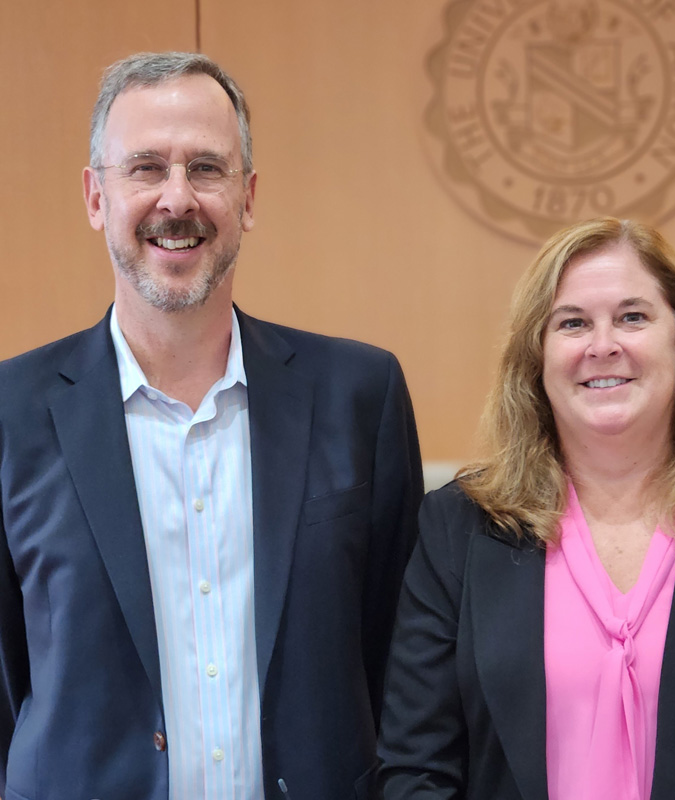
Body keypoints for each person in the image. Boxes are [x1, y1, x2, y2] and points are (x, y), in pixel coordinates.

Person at [0, 52, 423, 800]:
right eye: (145, 168)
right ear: (96, 197)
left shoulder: (362, 395)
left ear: (248, 197)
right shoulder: (11, 412)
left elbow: (399, 666)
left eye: (205, 168)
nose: (177, 198)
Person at [378, 217, 675, 799]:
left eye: (633, 317)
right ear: (537, 359)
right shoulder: (460, 526)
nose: (603, 346)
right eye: (572, 323)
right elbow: (416, 768)